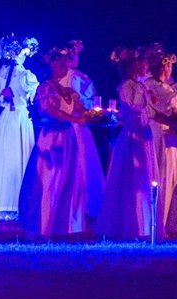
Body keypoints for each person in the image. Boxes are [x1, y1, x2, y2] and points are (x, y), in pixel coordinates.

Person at [18, 45, 90, 238]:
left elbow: (81, 109)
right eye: (61, 63)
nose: (65, 65)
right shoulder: (45, 88)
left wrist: (94, 115)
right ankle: (43, 228)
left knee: (69, 180)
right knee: (51, 181)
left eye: (66, 62)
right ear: (51, 66)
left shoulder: (67, 90)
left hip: (67, 138)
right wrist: (75, 119)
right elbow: (50, 110)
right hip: (51, 139)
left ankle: (63, 228)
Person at [99, 47, 161, 241]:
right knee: (131, 177)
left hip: (144, 135)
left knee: (144, 177)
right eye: (143, 63)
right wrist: (152, 110)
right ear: (134, 65)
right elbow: (133, 108)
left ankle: (145, 225)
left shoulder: (141, 86)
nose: (147, 66)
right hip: (133, 136)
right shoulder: (127, 86)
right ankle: (130, 226)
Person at [0, 34, 39, 221]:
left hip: (14, 116)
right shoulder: (18, 74)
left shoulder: (20, 75)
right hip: (14, 116)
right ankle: (6, 203)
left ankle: (15, 203)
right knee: (8, 156)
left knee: (14, 156)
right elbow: (32, 98)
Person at [143, 44, 177, 235]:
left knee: (175, 177)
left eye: (171, 66)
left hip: (171, 136)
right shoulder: (150, 86)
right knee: (161, 176)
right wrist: (176, 121)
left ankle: (173, 223)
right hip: (160, 134)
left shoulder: (169, 86)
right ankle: (157, 224)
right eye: (166, 66)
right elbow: (154, 112)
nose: (169, 69)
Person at [63, 40, 105, 221]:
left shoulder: (80, 78)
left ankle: (83, 203)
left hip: (75, 124)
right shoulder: (71, 78)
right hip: (69, 124)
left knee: (82, 161)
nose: (75, 58)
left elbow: (89, 102)